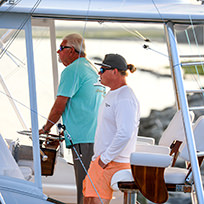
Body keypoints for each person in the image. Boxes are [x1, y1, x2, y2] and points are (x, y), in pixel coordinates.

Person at [39, 33, 105, 204]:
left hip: (84, 139)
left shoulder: (72, 70)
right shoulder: (91, 68)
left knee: (85, 190)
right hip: (96, 137)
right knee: (91, 188)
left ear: (72, 51)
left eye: (61, 48)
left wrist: (46, 128)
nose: (57, 52)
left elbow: (60, 104)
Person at [83, 53, 140, 204]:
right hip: (102, 161)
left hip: (112, 162)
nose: (98, 73)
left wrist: (105, 159)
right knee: (87, 200)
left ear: (115, 72)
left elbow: (125, 133)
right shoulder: (114, 93)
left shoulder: (125, 97)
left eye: (102, 70)